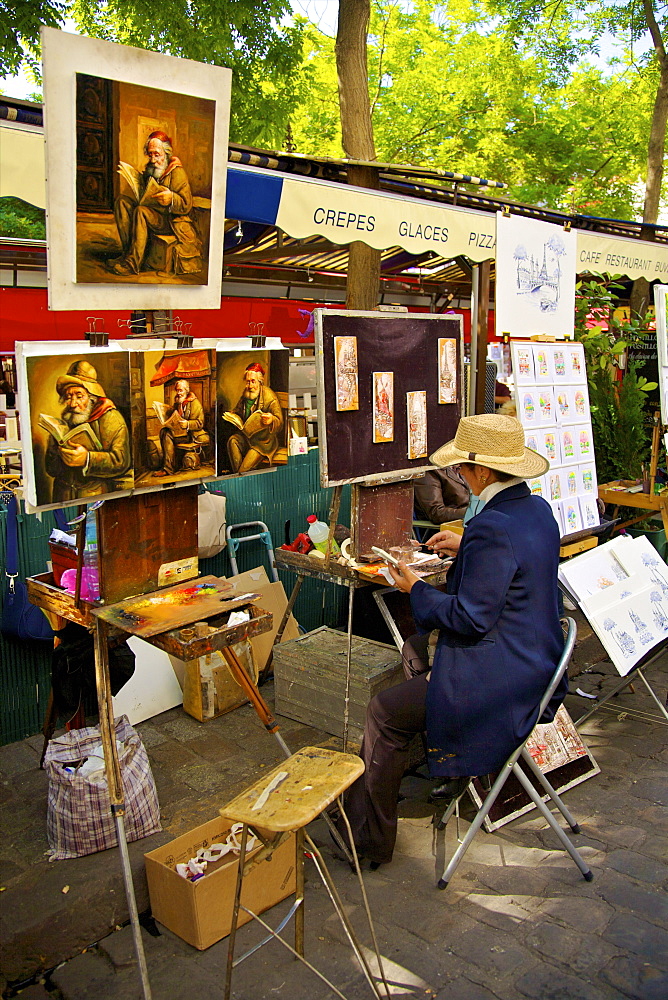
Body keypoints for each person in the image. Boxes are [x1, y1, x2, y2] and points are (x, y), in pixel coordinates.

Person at [341, 413, 565, 868]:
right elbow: (514, 570)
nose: (459, 473)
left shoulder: (493, 526)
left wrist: (414, 589)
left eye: (463, 467)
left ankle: (368, 840)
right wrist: (467, 548)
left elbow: (469, 617)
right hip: (541, 660)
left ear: (483, 471)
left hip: (505, 679)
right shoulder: (535, 511)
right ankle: (444, 752)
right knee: (414, 648)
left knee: (383, 712)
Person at [110, 130, 202, 276]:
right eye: (150, 154)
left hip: (170, 221)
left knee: (140, 211)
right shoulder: (151, 168)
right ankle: (126, 254)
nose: (153, 159)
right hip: (152, 214)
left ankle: (132, 264)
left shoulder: (177, 172)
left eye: (157, 154)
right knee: (122, 202)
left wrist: (171, 198)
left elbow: (186, 205)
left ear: (166, 153)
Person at [45, 361, 131, 502]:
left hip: (94, 495)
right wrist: (56, 452)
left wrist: (87, 459)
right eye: (68, 397)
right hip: (63, 495)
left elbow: (121, 461)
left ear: (92, 397)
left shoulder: (110, 418)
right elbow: (51, 470)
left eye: (79, 396)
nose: (73, 404)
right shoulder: (65, 419)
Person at [225, 362, 284, 473]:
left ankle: (239, 475)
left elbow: (279, 422)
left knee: (243, 469)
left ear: (260, 381)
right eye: (248, 382)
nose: (250, 386)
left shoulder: (269, 396)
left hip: (262, 442)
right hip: (247, 437)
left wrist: (271, 419)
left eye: (253, 381)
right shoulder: (246, 394)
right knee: (232, 441)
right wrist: (232, 415)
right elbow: (238, 411)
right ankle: (239, 475)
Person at [154, 379, 208, 477]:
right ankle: (171, 464)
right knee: (163, 431)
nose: (178, 393)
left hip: (191, 435)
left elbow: (200, 423)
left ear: (186, 390)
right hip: (180, 433)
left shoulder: (194, 403)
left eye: (181, 390)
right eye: (177, 390)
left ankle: (168, 469)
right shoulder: (178, 402)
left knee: (167, 434)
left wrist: (187, 424)